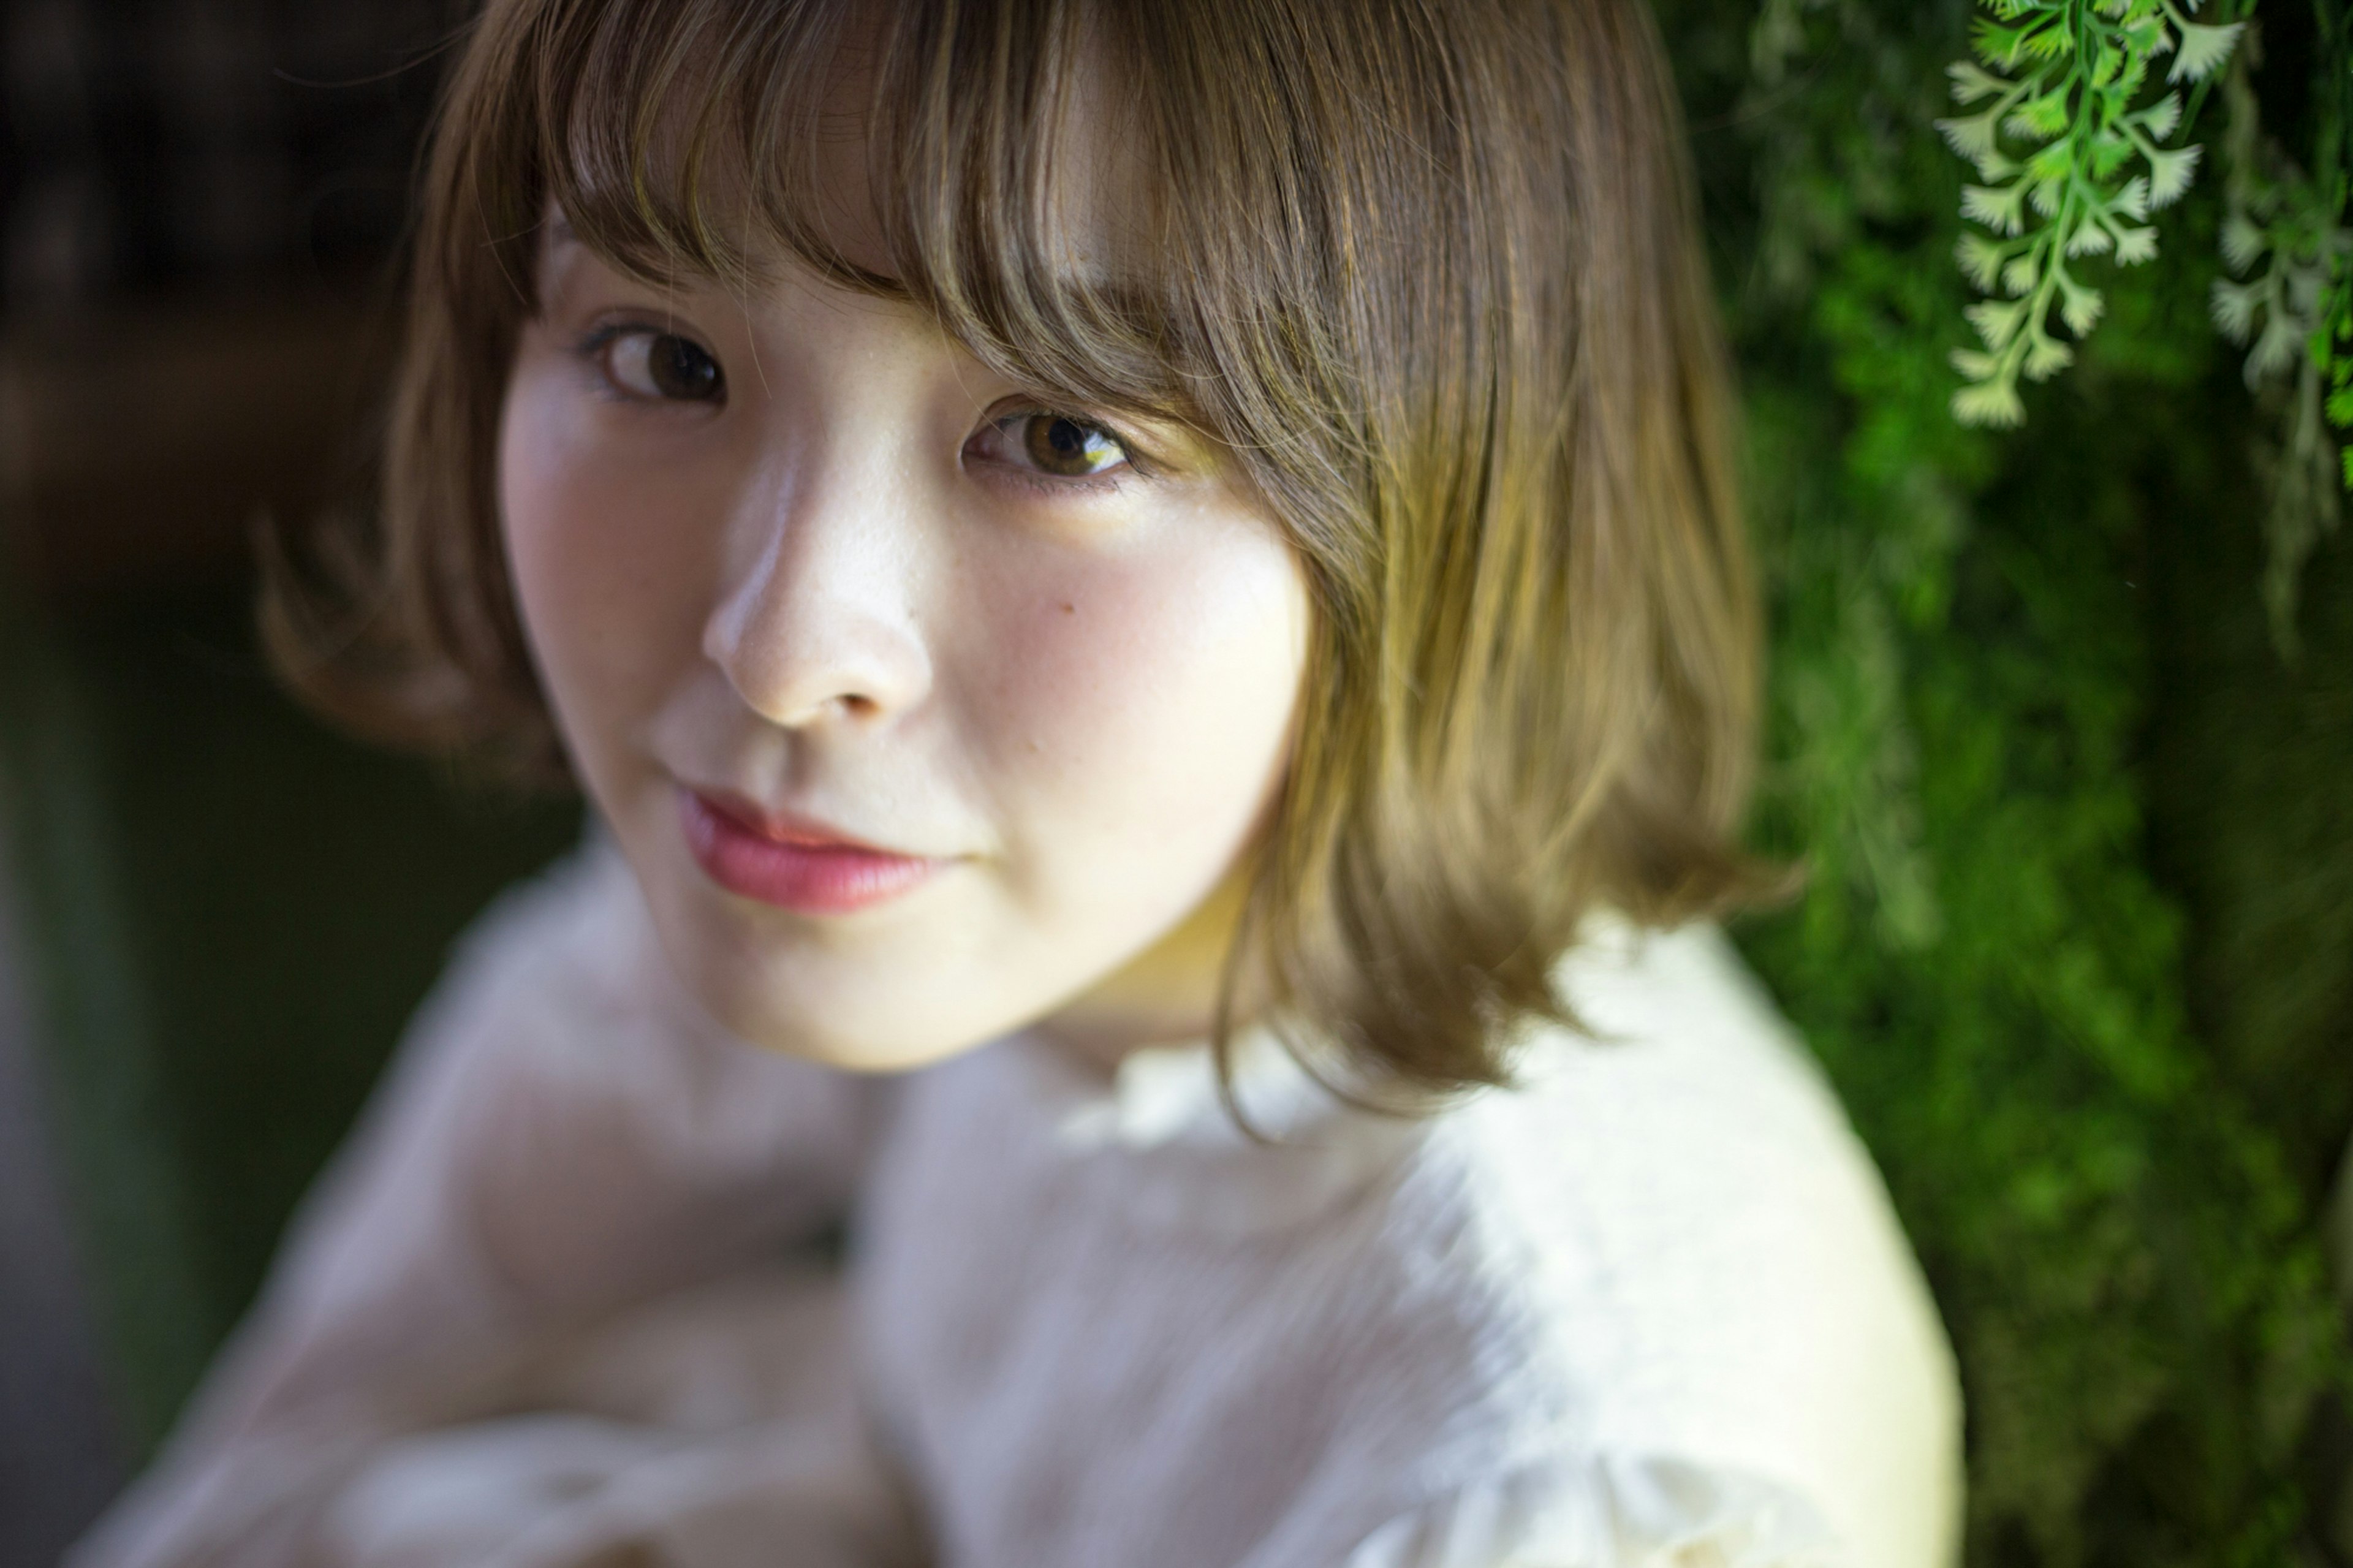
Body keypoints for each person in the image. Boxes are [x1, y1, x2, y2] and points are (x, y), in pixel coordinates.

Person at [70, 0, 1964, 1563]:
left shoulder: (1556, 1483)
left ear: (1458, 477)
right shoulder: (975, 864)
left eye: (1059, 435)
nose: (787, 641)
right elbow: (591, 1056)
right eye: (662, 357)